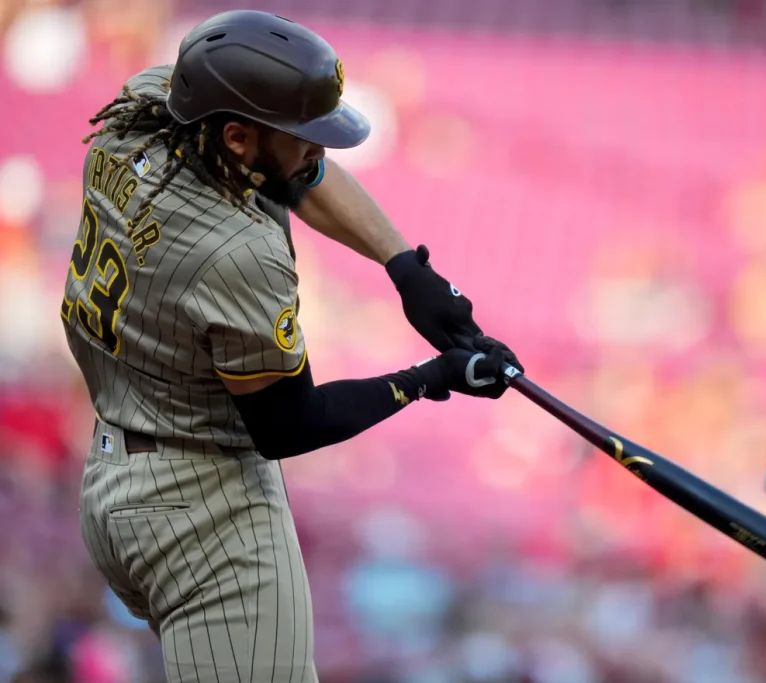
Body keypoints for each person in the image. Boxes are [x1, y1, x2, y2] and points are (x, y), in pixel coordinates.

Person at [59, 10, 522, 682]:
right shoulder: (236, 252)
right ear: (239, 136)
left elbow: (291, 174)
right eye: (301, 137)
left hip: (115, 480)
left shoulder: (149, 111)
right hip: (205, 513)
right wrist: (431, 376)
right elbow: (290, 423)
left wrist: (404, 266)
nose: (317, 151)